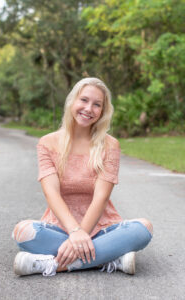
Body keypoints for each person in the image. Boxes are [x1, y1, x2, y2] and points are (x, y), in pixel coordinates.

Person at [12, 77, 153, 277]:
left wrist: (81, 233)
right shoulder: (47, 143)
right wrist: (74, 232)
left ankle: (52, 264)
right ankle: (110, 258)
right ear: (72, 101)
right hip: (59, 228)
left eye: (97, 105)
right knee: (23, 231)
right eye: (84, 100)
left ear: (103, 112)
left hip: (104, 229)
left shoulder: (110, 145)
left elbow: (101, 198)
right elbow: (51, 193)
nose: (89, 108)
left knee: (143, 229)